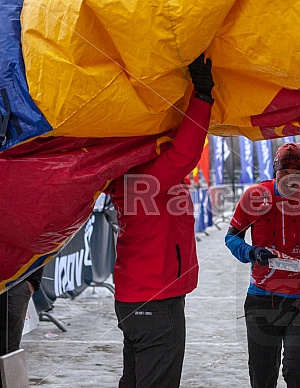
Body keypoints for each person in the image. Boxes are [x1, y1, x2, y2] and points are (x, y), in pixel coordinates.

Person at [106, 54, 214, 388]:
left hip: (135, 298)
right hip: (156, 302)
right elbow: (185, 153)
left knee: (135, 380)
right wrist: (203, 95)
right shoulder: (148, 180)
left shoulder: (128, 178)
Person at [225, 142, 300, 388]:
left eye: (296, 177)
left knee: (298, 374)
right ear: (274, 172)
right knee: (262, 377)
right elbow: (232, 237)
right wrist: (251, 252)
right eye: (283, 176)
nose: (290, 182)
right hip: (262, 298)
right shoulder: (254, 196)